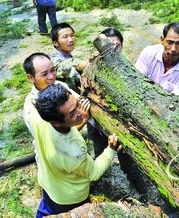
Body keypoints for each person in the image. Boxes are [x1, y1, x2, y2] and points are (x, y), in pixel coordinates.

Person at [32, 83, 122, 217]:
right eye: (73, 113)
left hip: (48, 183)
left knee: (46, 210)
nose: (82, 112)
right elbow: (95, 172)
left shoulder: (38, 117)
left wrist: (82, 119)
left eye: (77, 104)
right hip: (69, 198)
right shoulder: (74, 151)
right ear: (56, 122)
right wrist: (111, 150)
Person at [88, 28, 148, 195]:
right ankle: (99, 188)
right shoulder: (92, 69)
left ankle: (143, 193)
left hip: (121, 131)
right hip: (98, 127)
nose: (113, 50)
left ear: (122, 47)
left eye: (117, 46)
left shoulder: (128, 72)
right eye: (108, 45)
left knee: (128, 164)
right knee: (100, 158)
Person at [22, 52, 88, 137]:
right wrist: (84, 119)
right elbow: (54, 139)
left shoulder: (59, 84)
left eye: (53, 70)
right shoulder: (31, 108)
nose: (51, 77)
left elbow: (81, 101)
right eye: (44, 74)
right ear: (31, 78)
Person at [135, 22, 179, 97]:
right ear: (162, 40)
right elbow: (136, 80)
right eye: (170, 42)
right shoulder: (149, 53)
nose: (173, 49)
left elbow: (176, 100)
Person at [49, 23, 88, 93]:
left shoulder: (66, 54)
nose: (70, 40)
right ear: (55, 43)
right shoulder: (53, 61)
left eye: (72, 35)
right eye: (65, 37)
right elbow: (76, 66)